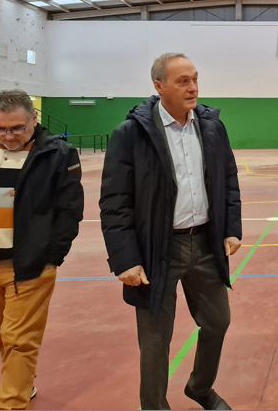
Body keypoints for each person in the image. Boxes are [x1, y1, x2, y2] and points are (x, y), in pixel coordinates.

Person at [99, 53, 241, 411]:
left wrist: (231, 228)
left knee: (218, 322)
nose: (192, 87)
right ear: (159, 86)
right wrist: (125, 260)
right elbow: (114, 202)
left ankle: (200, 387)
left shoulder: (211, 127)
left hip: (207, 243)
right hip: (157, 250)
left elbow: (228, 181)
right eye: (182, 81)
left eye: (194, 79)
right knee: (155, 341)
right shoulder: (131, 134)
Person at [0, 89, 84, 410]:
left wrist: (52, 257)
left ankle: (9, 403)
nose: (9, 136)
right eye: (1, 128)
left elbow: (69, 210)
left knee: (20, 340)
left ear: (33, 119)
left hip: (29, 265)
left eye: (17, 128)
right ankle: (23, 382)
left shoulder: (58, 154)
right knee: (1, 335)